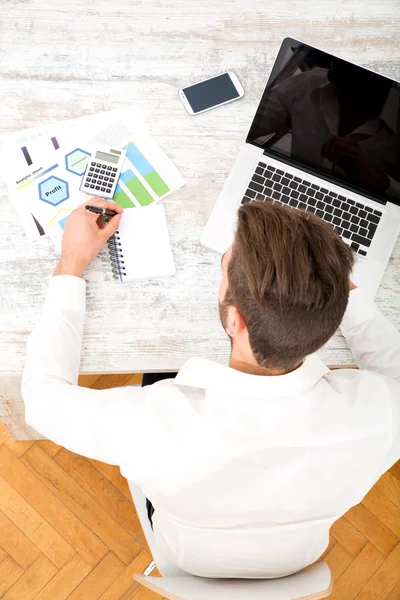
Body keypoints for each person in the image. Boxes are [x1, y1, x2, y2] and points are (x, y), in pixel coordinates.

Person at [22, 198, 400, 579]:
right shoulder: (380, 417)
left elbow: (41, 399)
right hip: (295, 560)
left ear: (236, 321)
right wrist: (325, 286)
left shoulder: (152, 422)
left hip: (187, 555)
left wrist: (71, 263)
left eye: (224, 271)